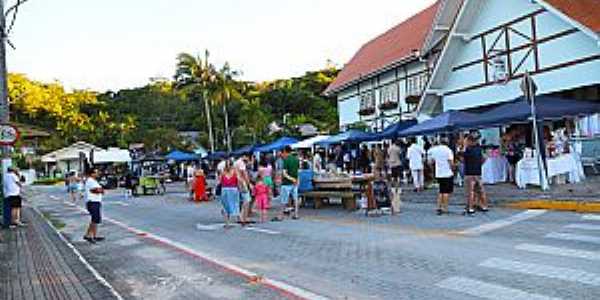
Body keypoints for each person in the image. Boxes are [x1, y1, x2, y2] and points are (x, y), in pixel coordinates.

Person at [428, 137, 455, 215]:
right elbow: (451, 162)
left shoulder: (435, 150)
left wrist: (434, 169)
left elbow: (430, 161)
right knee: (446, 192)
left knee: (441, 191)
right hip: (447, 173)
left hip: (439, 173)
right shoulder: (448, 150)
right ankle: (445, 208)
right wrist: (453, 169)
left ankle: (439, 207)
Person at [463, 135, 489, 214]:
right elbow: (484, 159)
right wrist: (478, 164)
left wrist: (464, 146)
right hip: (478, 172)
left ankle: (471, 207)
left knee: (471, 191)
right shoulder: (479, 149)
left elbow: (461, 158)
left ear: (470, 141)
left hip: (469, 173)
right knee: (481, 190)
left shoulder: (467, 149)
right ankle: (484, 206)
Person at [274, 146, 299, 221]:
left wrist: (291, 179)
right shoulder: (296, 159)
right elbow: (297, 171)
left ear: (285, 151)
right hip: (295, 183)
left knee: (283, 200)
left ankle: (280, 216)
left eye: (282, 152)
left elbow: (284, 173)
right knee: (295, 199)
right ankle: (296, 214)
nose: (282, 154)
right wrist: (296, 180)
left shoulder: (286, 160)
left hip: (286, 183)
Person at [84, 169, 104, 243]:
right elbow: (95, 190)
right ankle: (91, 236)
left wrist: (100, 190)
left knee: (95, 220)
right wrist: (100, 190)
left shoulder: (94, 181)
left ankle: (91, 235)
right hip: (92, 202)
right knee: (95, 219)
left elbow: (100, 190)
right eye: (96, 172)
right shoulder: (90, 181)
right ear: (92, 174)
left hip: (96, 201)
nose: (98, 173)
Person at [219, 161, 240, 228]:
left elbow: (220, 181)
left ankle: (227, 222)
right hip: (233, 189)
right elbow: (239, 181)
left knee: (226, 206)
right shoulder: (235, 172)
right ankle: (239, 219)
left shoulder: (223, 173)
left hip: (225, 190)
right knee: (235, 204)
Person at [235, 155, 252, 224]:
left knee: (240, 200)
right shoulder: (241, 163)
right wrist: (249, 184)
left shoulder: (236, 162)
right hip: (242, 183)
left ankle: (239, 216)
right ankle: (244, 217)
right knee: (247, 200)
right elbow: (244, 174)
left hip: (236, 183)